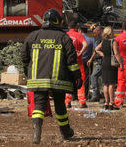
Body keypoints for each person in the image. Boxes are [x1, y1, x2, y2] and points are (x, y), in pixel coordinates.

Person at [21, 9, 82, 144]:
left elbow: (24, 57)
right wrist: (77, 76)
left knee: (39, 105)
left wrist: (28, 71)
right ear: (57, 21)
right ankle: (65, 132)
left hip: (37, 79)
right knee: (60, 106)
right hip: (58, 80)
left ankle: (37, 133)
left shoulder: (33, 36)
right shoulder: (63, 37)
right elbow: (71, 61)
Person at [95, 26, 123, 110]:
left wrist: (101, 54)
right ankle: (112, 102)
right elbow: (116, 54)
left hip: (104, 62)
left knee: (105, 83)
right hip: (111, 64)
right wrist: (121, 63)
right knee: (111, 84)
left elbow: (96, 49)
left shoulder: (103, 41)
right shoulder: (113, 42)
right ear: (111, 33)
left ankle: (106, 102)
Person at [65, 21, 88, 108]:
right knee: (80, 80)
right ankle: (82, 102)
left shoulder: (65, 35)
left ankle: (67, 102)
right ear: (76, 27)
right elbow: (85, 45)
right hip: (78, 61)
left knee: (68, 80)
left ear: (68, 27)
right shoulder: (79, 35)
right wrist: (80, 53)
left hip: (68, 61)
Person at [87, 25, 103, 102]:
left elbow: (99, 51)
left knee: (93, 76)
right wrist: (91, 59)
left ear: (98, 30)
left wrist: (94, 58)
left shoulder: (103, 39)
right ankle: (100, 95)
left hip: (102, 62)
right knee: (103, 79)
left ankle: (95, 95)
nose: (94, 34)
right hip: (100, 61)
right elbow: (95, 50)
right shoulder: (98, 39)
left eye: (95, 32)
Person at [79, 26, 95, 100]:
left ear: (80, 30)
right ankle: (85, 95)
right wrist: (91, 58)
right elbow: (96, 49)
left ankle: (76, 95)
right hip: (88, 60)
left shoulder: (78, 38)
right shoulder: (91, 39)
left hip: (79, 60)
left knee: (77, 77)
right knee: (87, 79)